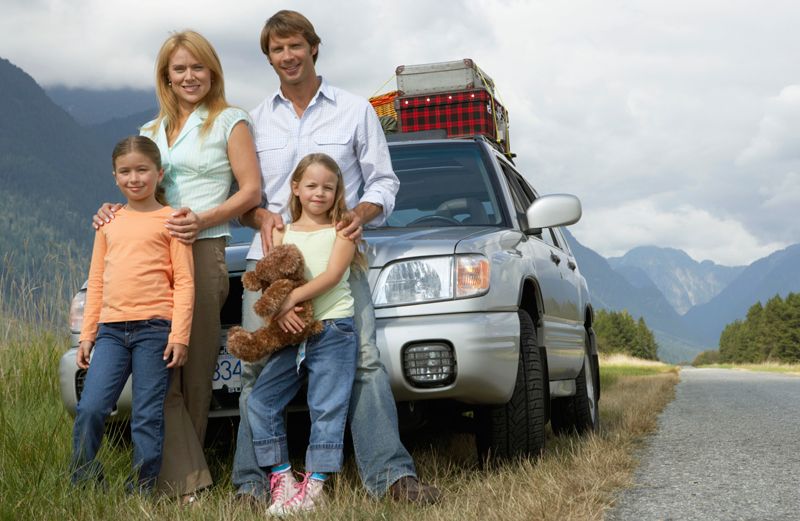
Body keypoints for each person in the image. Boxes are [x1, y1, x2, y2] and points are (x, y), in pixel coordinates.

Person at [233, 10, 439, 504]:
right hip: (272, 267)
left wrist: (362, 213)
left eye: (295, 46)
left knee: (365, 363)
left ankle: (390, 478)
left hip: (336, 267)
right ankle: (252, 485)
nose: (287, 56)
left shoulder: (353, 110)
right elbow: (243, 196)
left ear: (313, 47)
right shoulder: (255, 120)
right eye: (277, 49)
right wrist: (259, 216)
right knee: (256, 372)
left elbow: (384, 181)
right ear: (268, 57)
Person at [93, 31, 262, 502]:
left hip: (203, 250)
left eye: (198, 67)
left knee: (192, 369)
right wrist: (113, 209)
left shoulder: (231, 121)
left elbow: (250, 191)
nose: (189, 77)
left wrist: (201, 219)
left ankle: (180, 484)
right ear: (166, 75)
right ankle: (186, 482)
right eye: (179, 69)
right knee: (157, 374)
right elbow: (140, 186)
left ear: (212, 72)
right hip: (150, 259)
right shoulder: (149, 132)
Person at [70, 136, 194, 494]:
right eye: (125, 172)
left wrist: (180, 335)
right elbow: (97, 280)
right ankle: (84, 482)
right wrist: (88, 335)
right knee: (91, 407)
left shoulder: (172, 221)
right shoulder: (108, 223)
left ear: (159, 173)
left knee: (146, 416)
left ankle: (142, 490)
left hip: (155, 331)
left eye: (142, 170)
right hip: (110, 331)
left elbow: (184, 282)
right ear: (115, 177)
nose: (134, 178)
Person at [248, 153, 364, 515]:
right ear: (295, 188)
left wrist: (288, 301)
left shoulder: (342, 229)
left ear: (337, 192)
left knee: (326, 407)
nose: (319, 193)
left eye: (328, 187)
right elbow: (273, 278)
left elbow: (331, 276)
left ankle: (315, 486)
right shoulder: (282, 231)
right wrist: (281, 312)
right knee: (261, 400)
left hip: (333, 328)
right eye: (311, 185)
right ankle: (282, 478)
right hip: (290, 334)